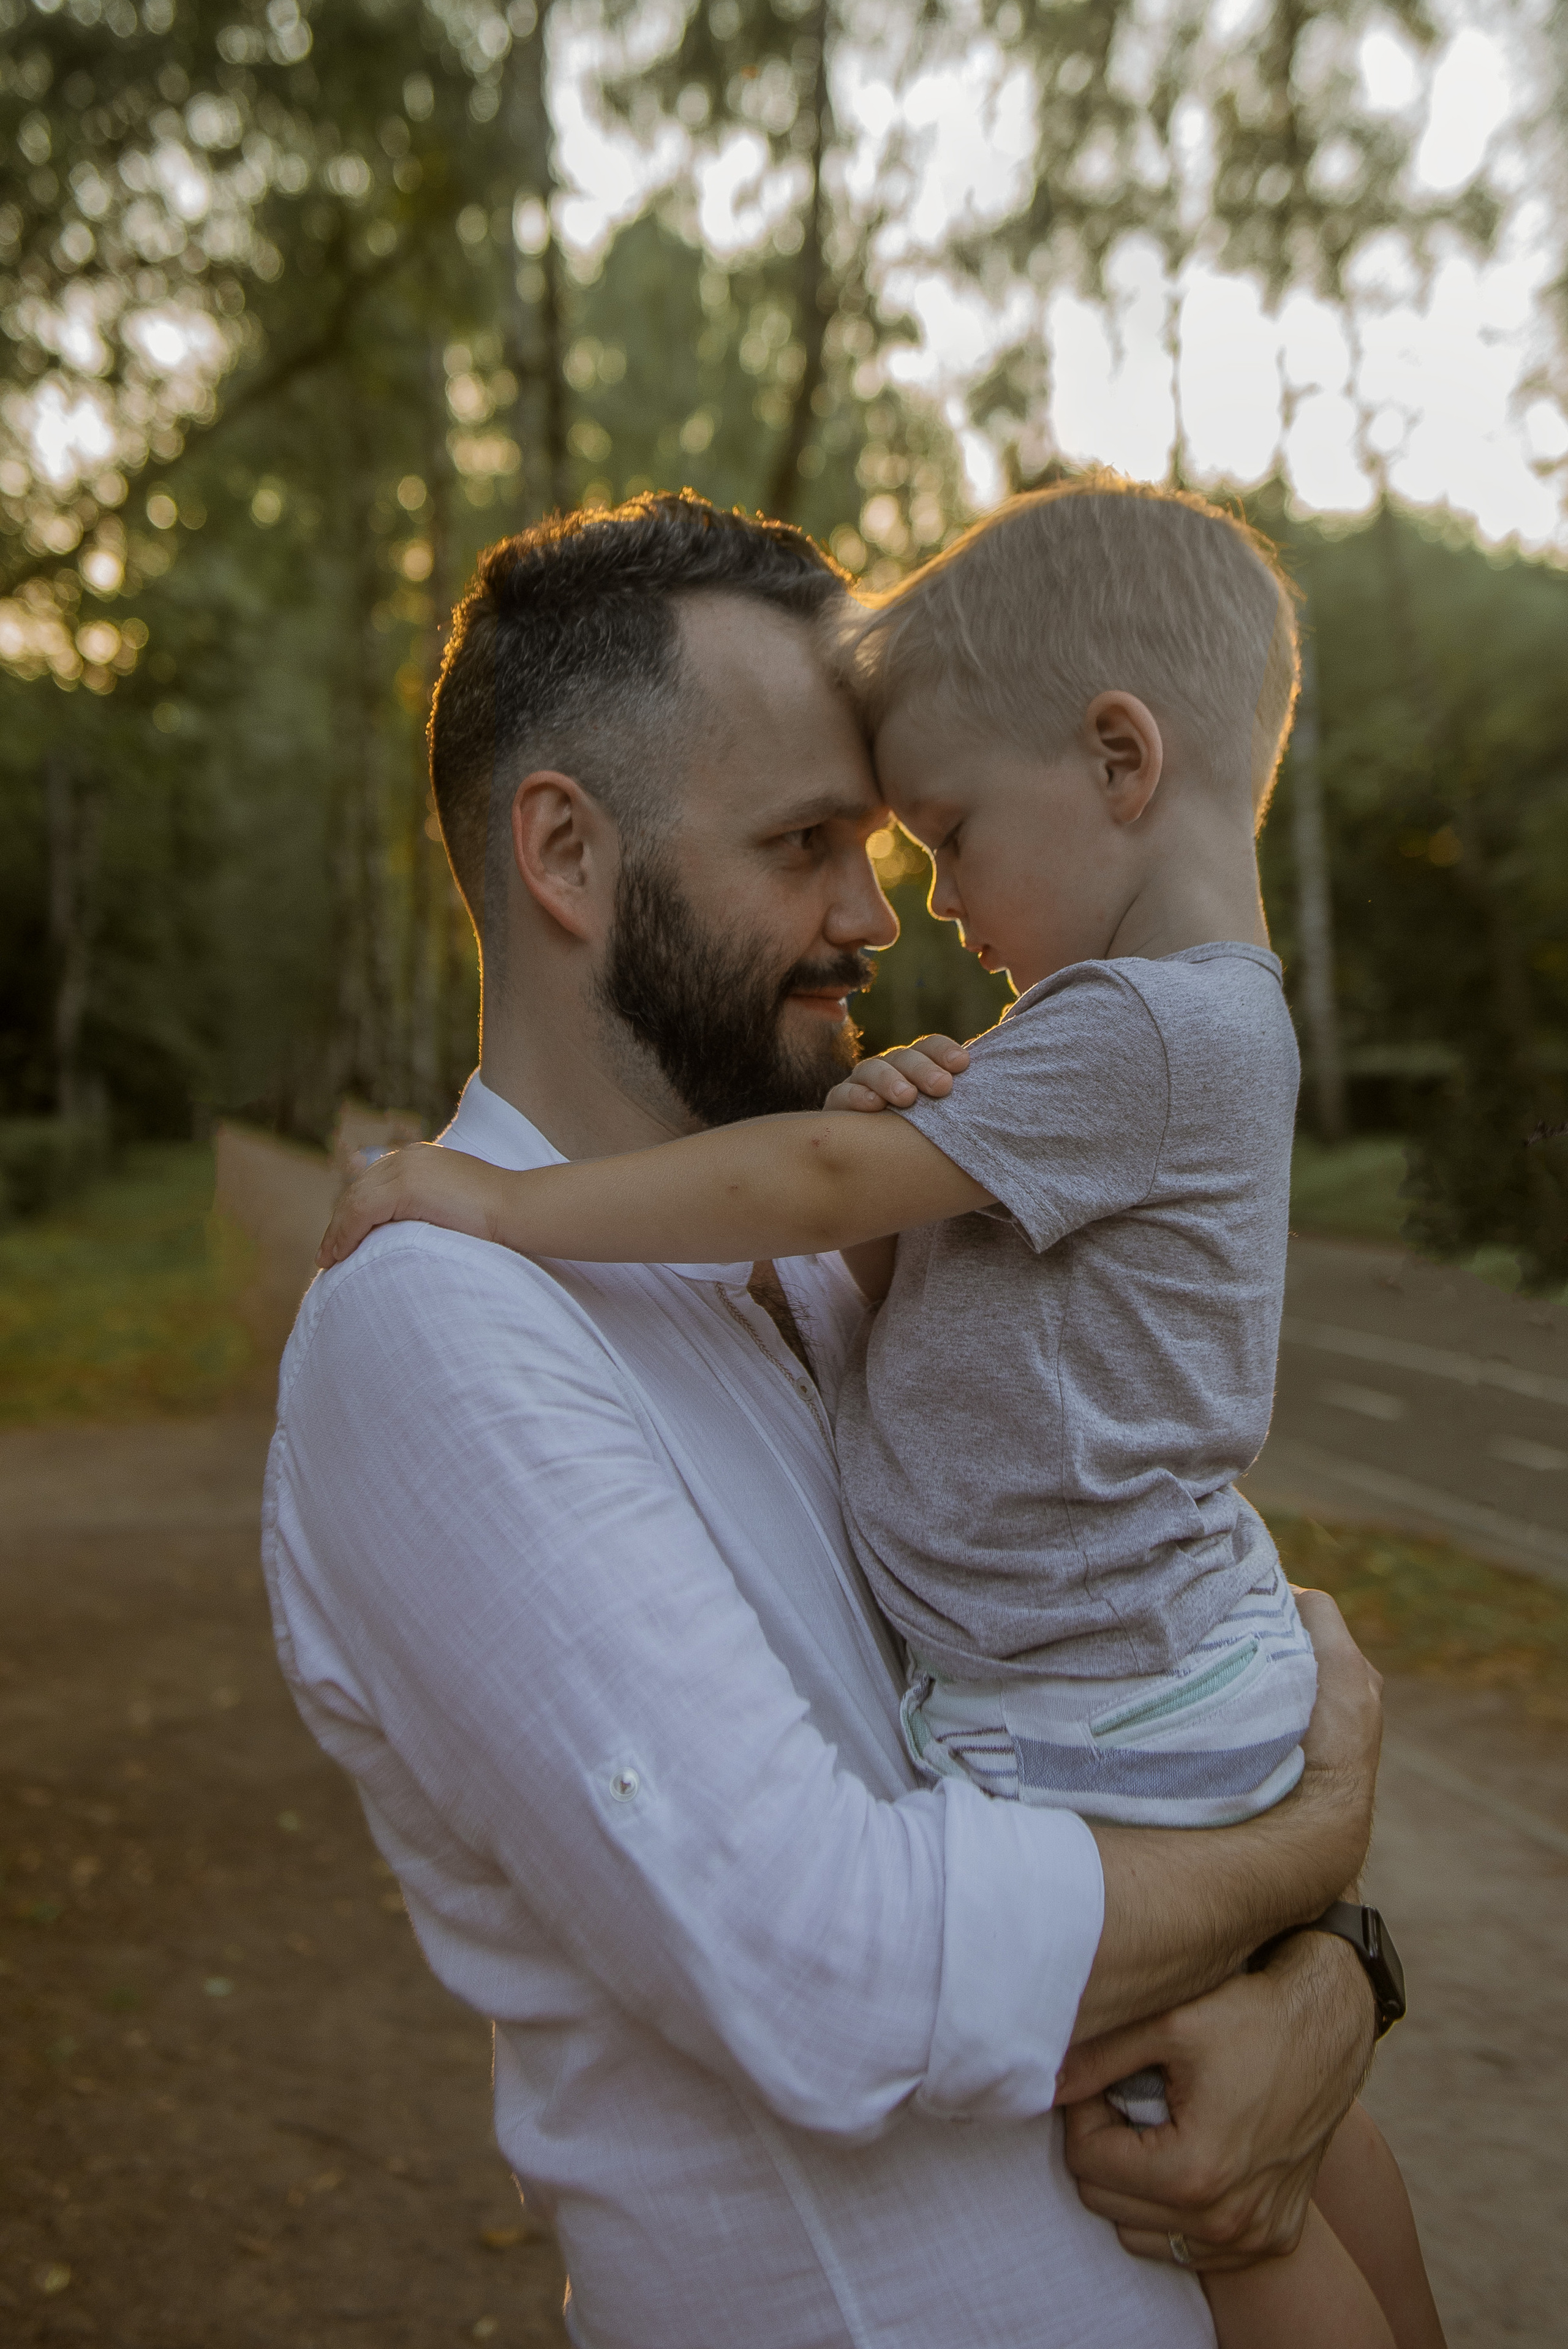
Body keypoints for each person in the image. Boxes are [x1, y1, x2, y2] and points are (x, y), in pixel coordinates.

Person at [323, 482, 1442, 2348]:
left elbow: (1065, 1541)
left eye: (909, 837)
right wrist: (1319, 1854)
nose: (881, 914)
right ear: (568, 856)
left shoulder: (833, 1227)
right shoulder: (445, 1309)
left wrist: (1327, 1974)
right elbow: (837, 1970)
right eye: (809, 843)